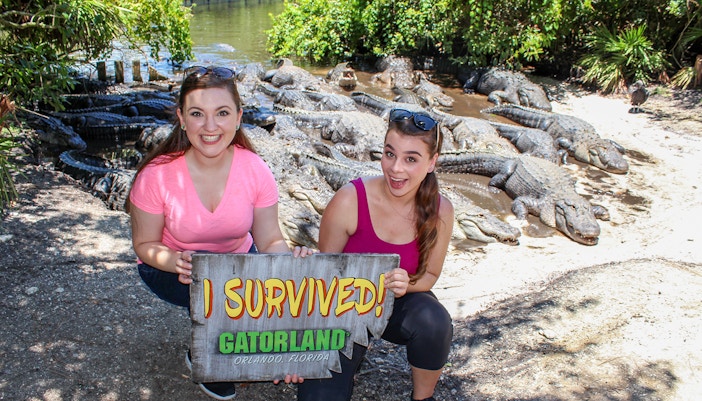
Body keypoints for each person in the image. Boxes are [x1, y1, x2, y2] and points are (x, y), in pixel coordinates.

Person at [126, 66, 312, 400]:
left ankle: (213, 339)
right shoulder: (155, 175)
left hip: (236, 265)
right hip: (171, 269)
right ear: (182, 118)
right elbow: (144, 245)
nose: (210, 127)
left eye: (222, 113)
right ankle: (208, 346)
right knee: (221, 293)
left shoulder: (255, 168)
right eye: (198, 114)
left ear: (238, 117)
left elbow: (269, 239)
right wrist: (177, 261)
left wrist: (292, 266)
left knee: (260, 305)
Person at [297, 108, 455, 401]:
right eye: (389, 153)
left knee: (435, 322)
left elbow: (430, 275)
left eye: (411, 159)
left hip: (398, 303)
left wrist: (408, 284)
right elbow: (321, 275)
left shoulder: (440, 211)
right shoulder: (348, 199)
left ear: (432, 162)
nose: (396, 168)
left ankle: (423, 397)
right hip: (341, 308)